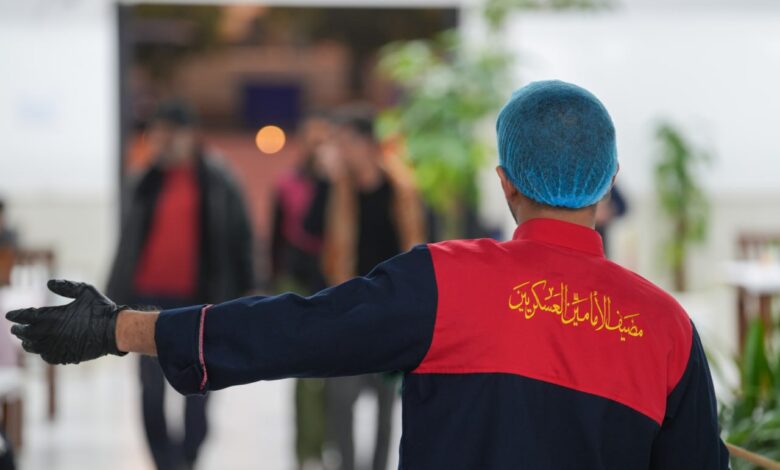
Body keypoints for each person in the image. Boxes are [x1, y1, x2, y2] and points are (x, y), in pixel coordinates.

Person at [6, 81, 729, 469]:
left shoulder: (447, 281)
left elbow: (296, 329)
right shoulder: (667, 329)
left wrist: (119, 328)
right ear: (610, 180)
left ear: (506, 181)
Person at [105, 100, 254, 470]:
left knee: (199, 385)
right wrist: (115, 294)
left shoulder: (218, 180)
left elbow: (241, 238)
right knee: (150, 388)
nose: (164, 140)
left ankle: (188, 456)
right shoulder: (143, 180)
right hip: (146, 299)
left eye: (172, 132)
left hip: (198, 300)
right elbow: (128, 243)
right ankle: (164, 462)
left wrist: (245, 291)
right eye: (157, 133)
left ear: (191, 135)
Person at [314, 106, 425, 470]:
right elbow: (311, 231)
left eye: (346, 142)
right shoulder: (336, 189)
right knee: (340, 400)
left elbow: (421, 246)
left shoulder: (401, 189)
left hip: (392, 311)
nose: (341, 150)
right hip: (347, 309)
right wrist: (324, 180)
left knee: (386, 405)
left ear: (367, 144)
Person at [270, 113, 332, 470]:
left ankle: (324, 443)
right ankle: (305, 449)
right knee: (303, 372)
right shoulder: (288, 184)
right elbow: (279, 236)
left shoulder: (339, 183)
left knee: (330, 373)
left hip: (331, 278)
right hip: (296, 278)